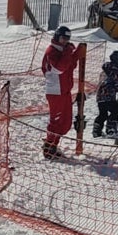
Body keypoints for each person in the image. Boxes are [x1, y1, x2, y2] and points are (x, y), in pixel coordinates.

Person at [41, 26, 79, 159]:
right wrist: (69, 52)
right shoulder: (52, 51)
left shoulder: (63, 51)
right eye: (63, 38)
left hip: (65, 90)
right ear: (57, 37)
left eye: (67, 39)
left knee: (66, 122)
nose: (65, 41)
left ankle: (53, 144)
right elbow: (59, 68)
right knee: (56, 121)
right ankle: (49, 147)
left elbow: (70, 65)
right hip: (55, 91)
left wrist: (75, 54)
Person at [92, 50, 118, 139]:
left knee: (103, 114)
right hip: (108, 96)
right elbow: (117, 86)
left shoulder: (106, 69)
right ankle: (111, 130)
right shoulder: (115, 70)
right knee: (115, 111)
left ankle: (96, 131)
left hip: (100, 96)